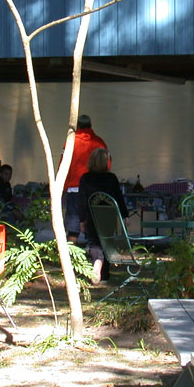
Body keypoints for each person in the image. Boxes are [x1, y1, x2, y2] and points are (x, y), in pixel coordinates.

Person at [77, 148, 127, 284]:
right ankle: (104, 274)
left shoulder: (85, 178)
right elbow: (119, 198)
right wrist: (125, 215)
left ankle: (96, 264)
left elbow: (82, 200)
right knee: (107, 242)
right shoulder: (111, 178)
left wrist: (82, 219)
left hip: (92, 216)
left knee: (94, 243)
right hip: (108, 216)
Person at [61, 114, 108, 243]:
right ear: (91, 126)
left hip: (74, 188)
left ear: (78, 126)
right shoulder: (99, 142)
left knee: (73, 226)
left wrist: (64, 186)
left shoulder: (71, 142)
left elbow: (63, 165)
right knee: (93, 224)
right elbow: (107, 164)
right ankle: (94, 251)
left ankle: (70, 252)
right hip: (95, 189)